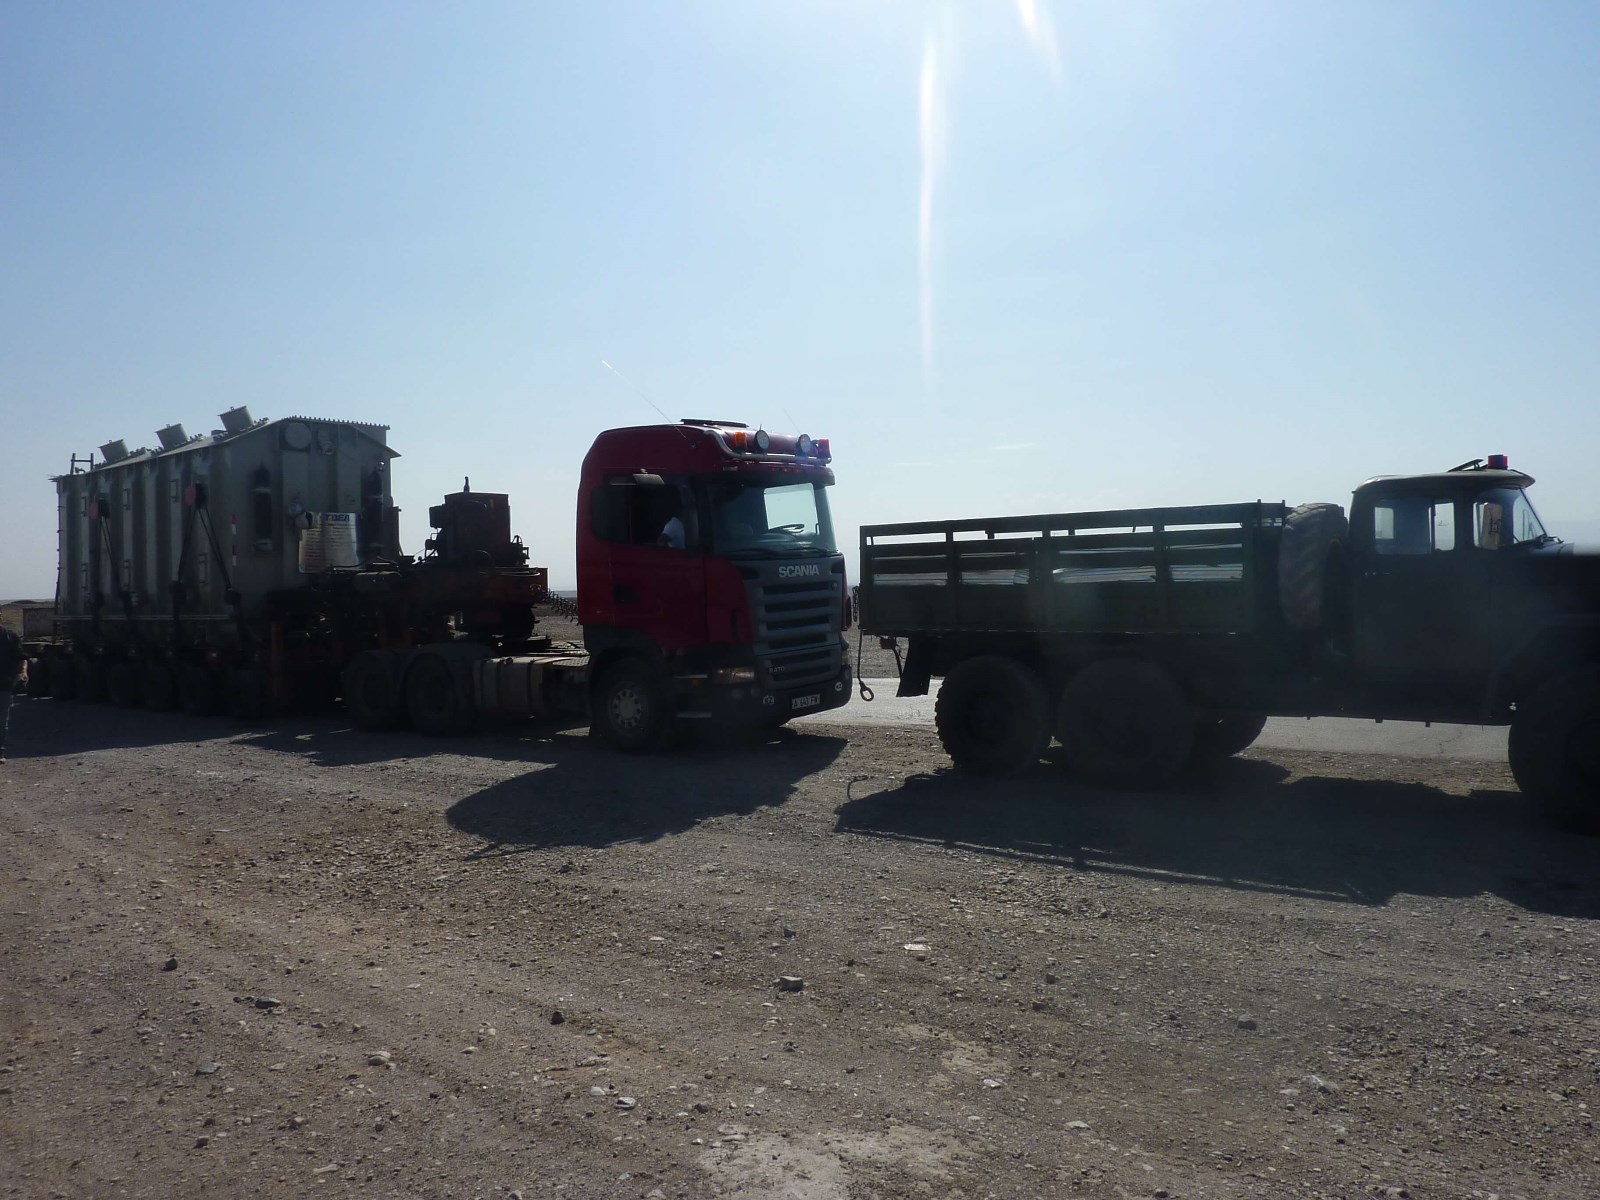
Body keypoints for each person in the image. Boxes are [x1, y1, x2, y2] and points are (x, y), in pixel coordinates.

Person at [0, 626, 24, 764]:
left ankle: (0, 751)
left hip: (4, 684)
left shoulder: (10, 637)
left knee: (2, 721)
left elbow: (21, 657)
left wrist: (23, 673)